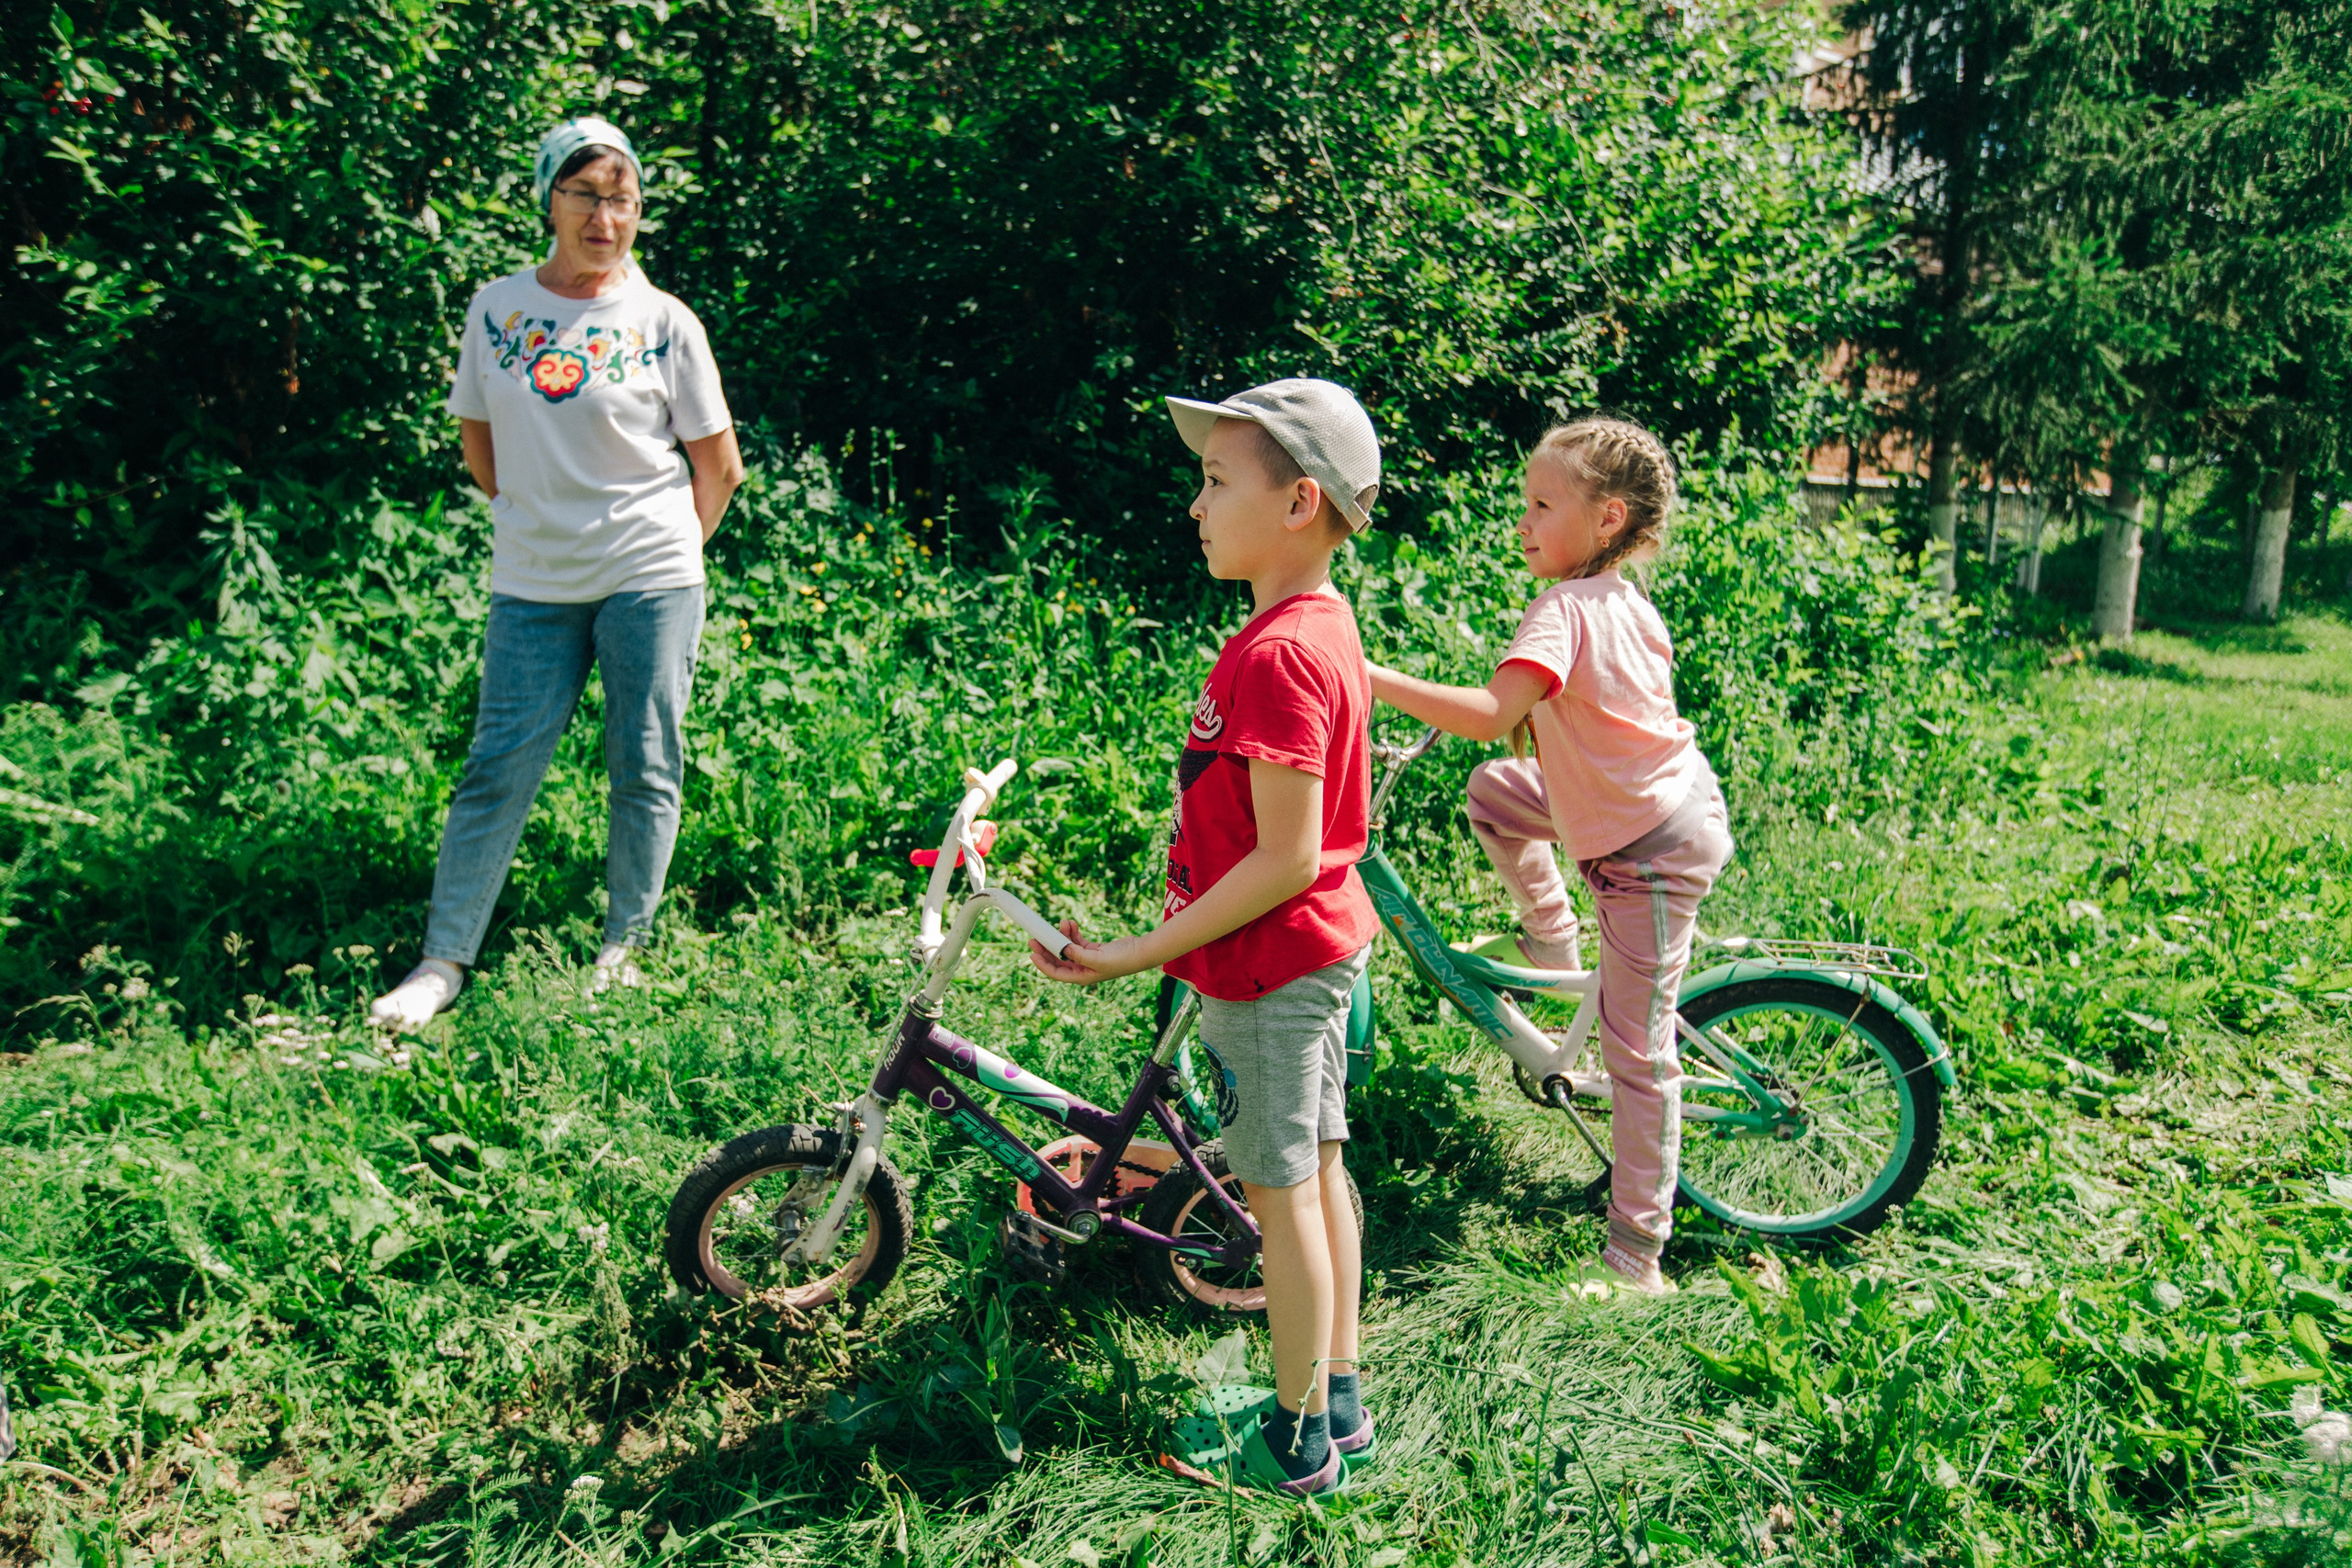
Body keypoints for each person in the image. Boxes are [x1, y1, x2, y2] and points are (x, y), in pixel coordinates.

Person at [1027, 378, 1381, 1495]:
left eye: (1217, 479)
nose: (1194, 504)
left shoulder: (1279, 655)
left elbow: (1280, 859)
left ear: (1298, 504)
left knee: (1281, 1204)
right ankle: (1336, 1402)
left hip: (1270, 976)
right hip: (1305, 960)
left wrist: (1134, 951)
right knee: (1315, 1179)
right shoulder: (1312, 626)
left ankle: (1294, 1447)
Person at [371, 118, 745, 1032]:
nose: (605, 218)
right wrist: (541, 516)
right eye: (586, 195)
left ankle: (627, 946)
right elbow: (478, 440)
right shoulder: (496, 310)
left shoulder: (664, 323)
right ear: (549, 199)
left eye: (622, 200)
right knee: (496, 768)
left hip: (651, 572)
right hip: (533, 579)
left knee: (643, 762)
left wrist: (664, 555)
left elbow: (719, 466)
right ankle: (441, 962)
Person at [1366, 416, 1732, 1295]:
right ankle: (1551, 941)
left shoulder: (1564, 606)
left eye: (1541, 504)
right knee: (1495, 791)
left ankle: (1637, 1257)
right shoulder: (1619, 597)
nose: (1522, 520)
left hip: (1645, 848)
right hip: (1653, 800)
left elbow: (1494, 710)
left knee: (1636, 1056)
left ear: (1607, 519)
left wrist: (1362, 672)